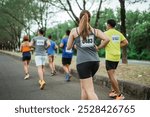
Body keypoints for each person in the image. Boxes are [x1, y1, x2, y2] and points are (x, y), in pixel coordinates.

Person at [67, 10, 110, 100]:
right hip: (95, 62)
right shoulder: (95, 31)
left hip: (83, 63)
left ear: (79, 18)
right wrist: (98, 47)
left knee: (90, 91)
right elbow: (107, 39)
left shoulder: (75, 31)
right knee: (84, 88)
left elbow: (68, 47)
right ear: (89, 19)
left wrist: (76, 45)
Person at [104, 19, 128, 100]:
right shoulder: (118, 33)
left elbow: (102, 44)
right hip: (117, 56)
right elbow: (125, 42)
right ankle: (114, 91)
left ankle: (119, 94)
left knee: (111, 76)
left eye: (106, 25)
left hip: (110, 56)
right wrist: (117, 46)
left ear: (108, 25)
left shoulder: (105, 33)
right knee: (113, 74)